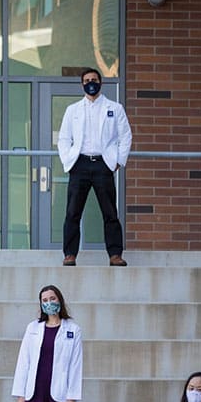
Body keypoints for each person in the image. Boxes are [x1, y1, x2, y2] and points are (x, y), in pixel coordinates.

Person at [57, 67, 132, 267]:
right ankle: (70, 254)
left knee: (109, 212)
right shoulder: (72, 110)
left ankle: (115, 254)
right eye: (87, 80)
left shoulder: (115, 108)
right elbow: (64, 138)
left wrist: (118, 161)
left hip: (103, 164)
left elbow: (126, 136)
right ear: (82, 84)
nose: (91, 82)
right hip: (79, 164)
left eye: (94, 79)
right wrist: (68, 161)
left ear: (101, 82)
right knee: (73, 212)